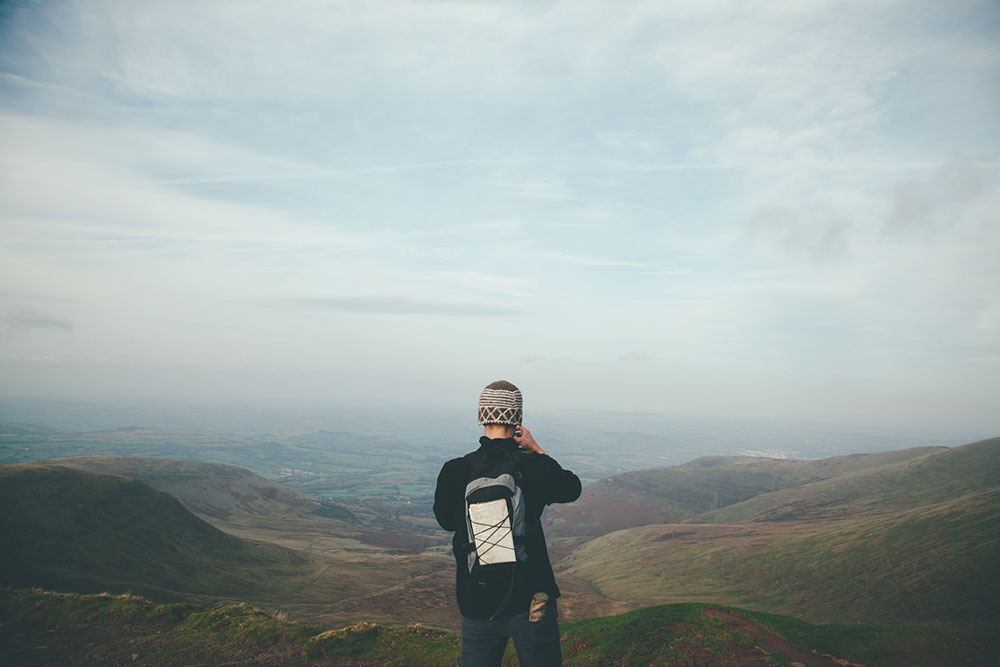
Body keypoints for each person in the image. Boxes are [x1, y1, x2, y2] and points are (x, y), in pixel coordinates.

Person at [434, 380, 581, 666]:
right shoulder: (533, 467)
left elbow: (446, 521)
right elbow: (571, 488)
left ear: (481, 418)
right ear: (517, 421)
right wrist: (536, 448)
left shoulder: (455, 470)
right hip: (531, 600)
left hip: (477, 599)